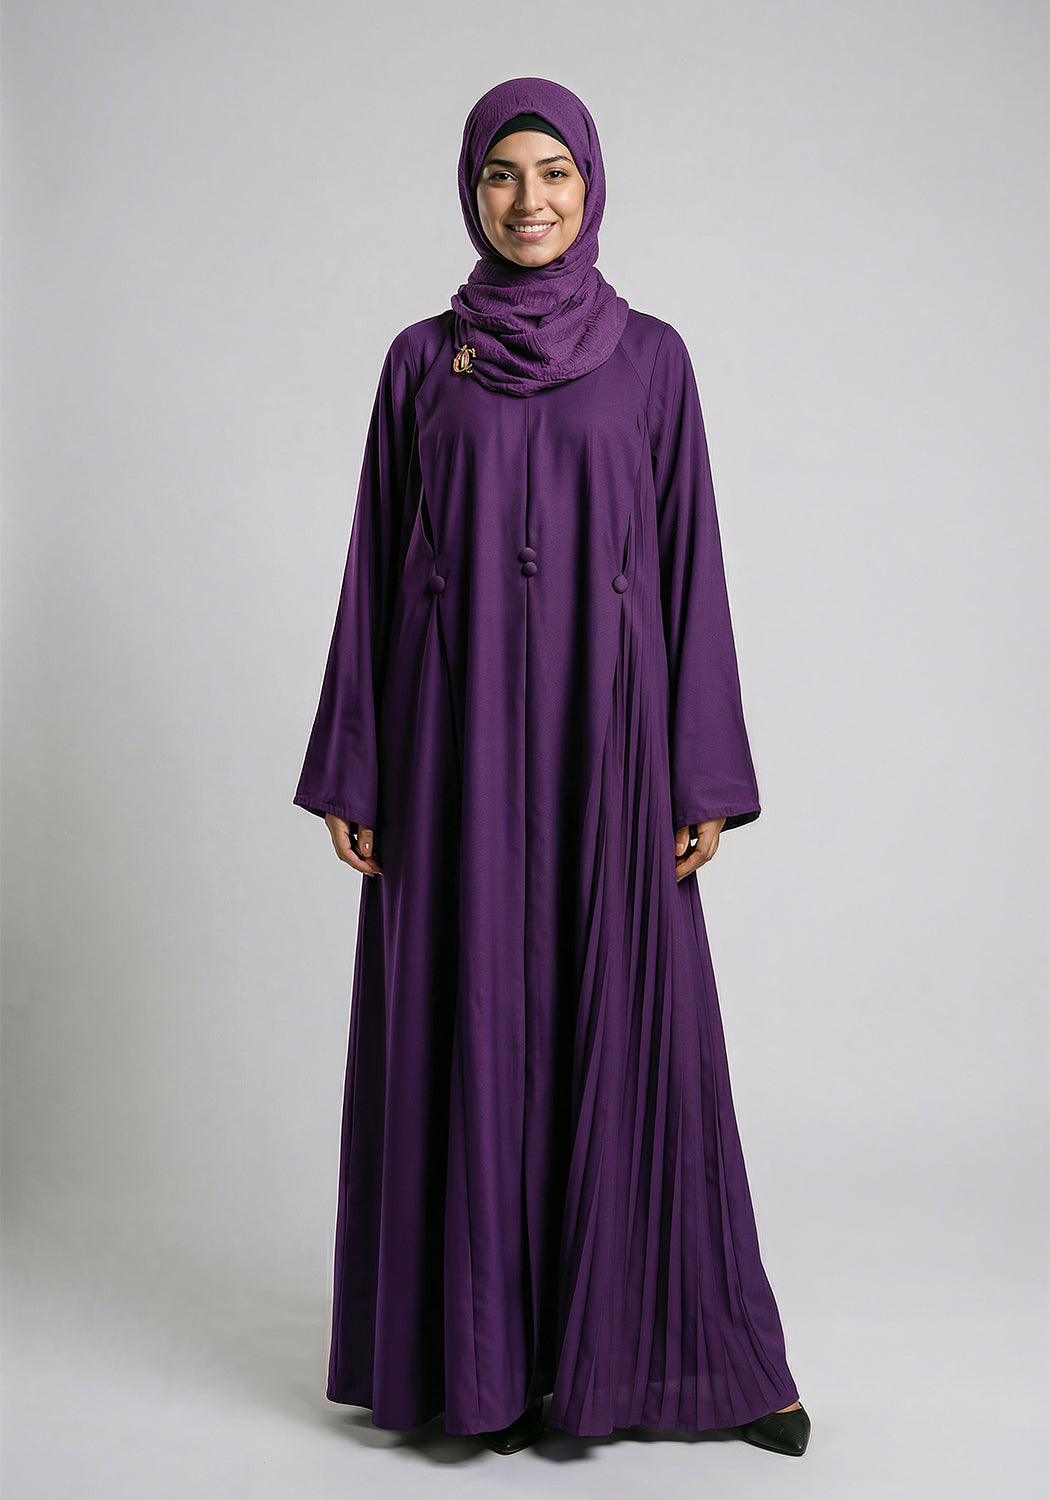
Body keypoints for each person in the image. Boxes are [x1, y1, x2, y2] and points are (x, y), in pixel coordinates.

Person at [292, 76, 811, 1459]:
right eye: (501, 176)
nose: (529, 201)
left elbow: (690, 563)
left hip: (607, 742)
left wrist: (701, 774)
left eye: (554, 173)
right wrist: (358, 765)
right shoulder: (423, 362)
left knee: (634, 1026)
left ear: (591, 185)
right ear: (471, 193)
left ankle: (678, 1355)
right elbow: (375, 558)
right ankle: (479, 1371)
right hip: (450, 743)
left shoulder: (651, 360)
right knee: (463, 1017)